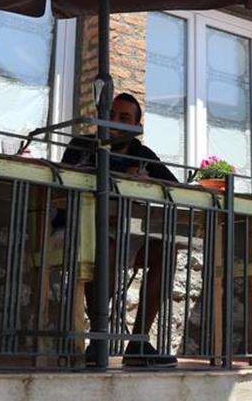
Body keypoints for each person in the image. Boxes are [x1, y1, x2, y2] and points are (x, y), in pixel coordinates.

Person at [56, 92, 180, 367]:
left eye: (124, 118)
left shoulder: (143, 155)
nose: (114, 122)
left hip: (126, 234)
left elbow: (175, 189)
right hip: (77, 229)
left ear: (136, 127)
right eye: (110, 115)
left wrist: (148, 184)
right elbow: (61, 182)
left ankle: (138, 343)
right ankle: (98, 338)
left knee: (166, 250)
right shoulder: (82, 145)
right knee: (106, 245)